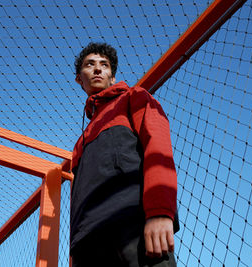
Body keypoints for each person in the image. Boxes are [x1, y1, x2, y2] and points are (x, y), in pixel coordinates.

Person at [70, 42, 179, 267]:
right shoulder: (80, 143)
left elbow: (158, 147)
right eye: (90, 65)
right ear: (79, 79)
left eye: (105, 65)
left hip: (132, 225)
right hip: (87, 243)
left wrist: (160, 212)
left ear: (112, 76)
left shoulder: (134, 97)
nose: (98, 69)